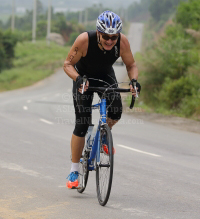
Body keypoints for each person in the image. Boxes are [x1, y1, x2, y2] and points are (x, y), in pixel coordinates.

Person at [63, 11, 141, 189]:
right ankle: (74, 170)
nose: (109, 41)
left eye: (113, 37)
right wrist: (78, 79)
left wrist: (134, 81)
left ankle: (104, 133)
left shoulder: (122, 42)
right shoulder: (84, 40)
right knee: (82, 123)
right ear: (98, 32)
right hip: (83, 78)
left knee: (116, 112)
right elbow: (67, 64)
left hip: (105, 76)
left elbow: (131, 65)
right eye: (106, 36)